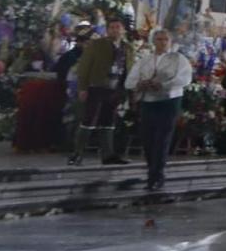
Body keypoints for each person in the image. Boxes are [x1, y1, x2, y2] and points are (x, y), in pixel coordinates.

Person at [126, 27, 193, 192]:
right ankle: (151, 170)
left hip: (169, 101)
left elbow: (184, 79)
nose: (162, 43)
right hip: (148, 101)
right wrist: (140, 84)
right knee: (148, 139)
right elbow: (130, 80)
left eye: (165, 40)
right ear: (153, 41)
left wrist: (163, 85)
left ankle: (157, 176)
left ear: (170, 42)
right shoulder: (145, 60)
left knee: (162, 139)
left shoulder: (179, 59)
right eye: (159, 39)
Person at [68, 17, 134, 166]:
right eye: (112, 27)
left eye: (118, 27)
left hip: (116, 88)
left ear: (123, 30)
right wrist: (83, 87)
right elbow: (84, 67)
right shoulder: (97, 45)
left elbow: (129, 68)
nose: (115, 30)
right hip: (97, 86)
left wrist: (128, 89)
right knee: (88, 121)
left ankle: (108, 154)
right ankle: (77, 153)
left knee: (108, 122)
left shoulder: (127, 48)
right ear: (107, 30)